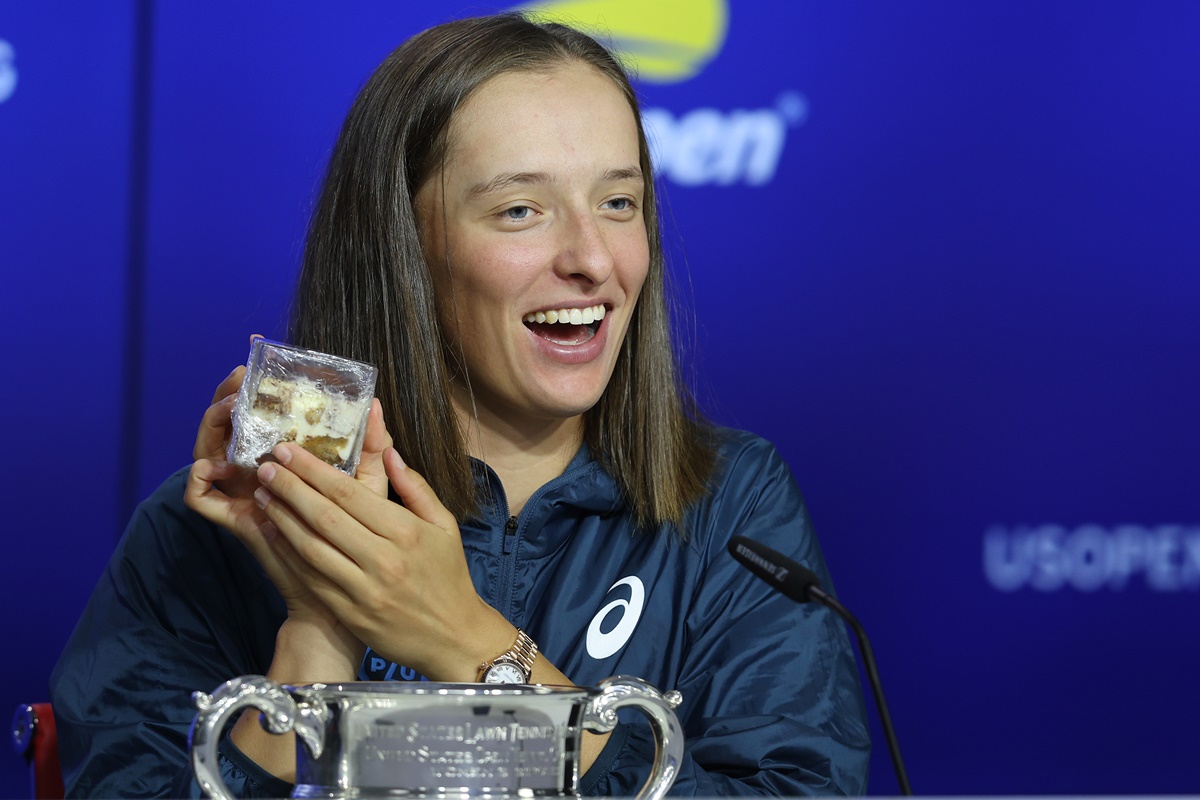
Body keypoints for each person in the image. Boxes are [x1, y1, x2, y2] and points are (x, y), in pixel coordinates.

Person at [50, 12, 871, 797]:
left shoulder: (734, 506)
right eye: (521, 210)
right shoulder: (213, 532)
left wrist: (467, 641)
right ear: (400, 247)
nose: (592, 258)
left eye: (618, 202)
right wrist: (320, 622)